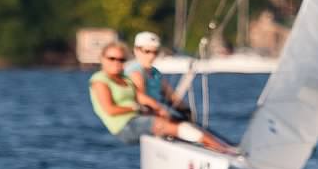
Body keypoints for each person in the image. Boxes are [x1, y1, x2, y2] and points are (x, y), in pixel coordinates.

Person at [88, 42, 234, 152]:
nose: (116, 62)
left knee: (181, 121)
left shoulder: (125, 79)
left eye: (121, 59)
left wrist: (160, 109)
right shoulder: (100, 80)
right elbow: (110, 110)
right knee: (168, 125)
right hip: (124, 127)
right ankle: (222, 150)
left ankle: (224, 147)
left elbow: (141, 97)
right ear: (102, 59)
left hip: (139, 118)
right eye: (112, 58)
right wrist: (136, 108)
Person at [124, 31, 190, 118]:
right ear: (136, 50)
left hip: (159, 111)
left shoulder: (155, 72)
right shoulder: (134, 71)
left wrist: (186, 110)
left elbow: (171, 95)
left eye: (155, 52)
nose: (152, 56)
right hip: (147, 115)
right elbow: (141, 98)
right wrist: (161, 110)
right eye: (147, 51)